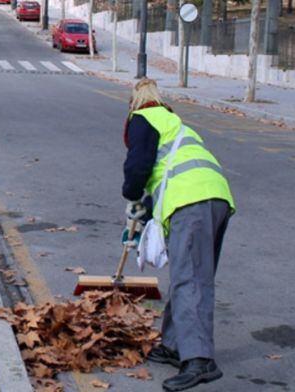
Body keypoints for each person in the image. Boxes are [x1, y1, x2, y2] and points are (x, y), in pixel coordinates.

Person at [122, 79, 234, 392]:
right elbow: (167, 172)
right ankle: (174, 346)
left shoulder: (142, 119)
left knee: (190, 279)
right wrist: (143, 209)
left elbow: (137, 168)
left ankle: (200, 361)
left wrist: (130, 197)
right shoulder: (173, 122)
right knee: (191, 274)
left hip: (192, 202)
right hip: (214, 197)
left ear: (133, 103)